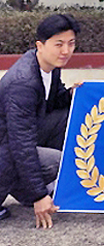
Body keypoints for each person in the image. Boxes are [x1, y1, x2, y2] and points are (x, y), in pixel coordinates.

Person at [0, 14, 82, 229]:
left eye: (71, 43)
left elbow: (51, 102)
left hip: (16, 141)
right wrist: (38, 195)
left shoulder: (48, 66)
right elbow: (21, 144)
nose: (66, 51)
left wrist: (72, 94)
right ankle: (31, 191)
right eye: (59, 44)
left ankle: (31, 188)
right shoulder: (22, 84)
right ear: (40, 45)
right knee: (59, 161)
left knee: (68, 117)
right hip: (6, 148)